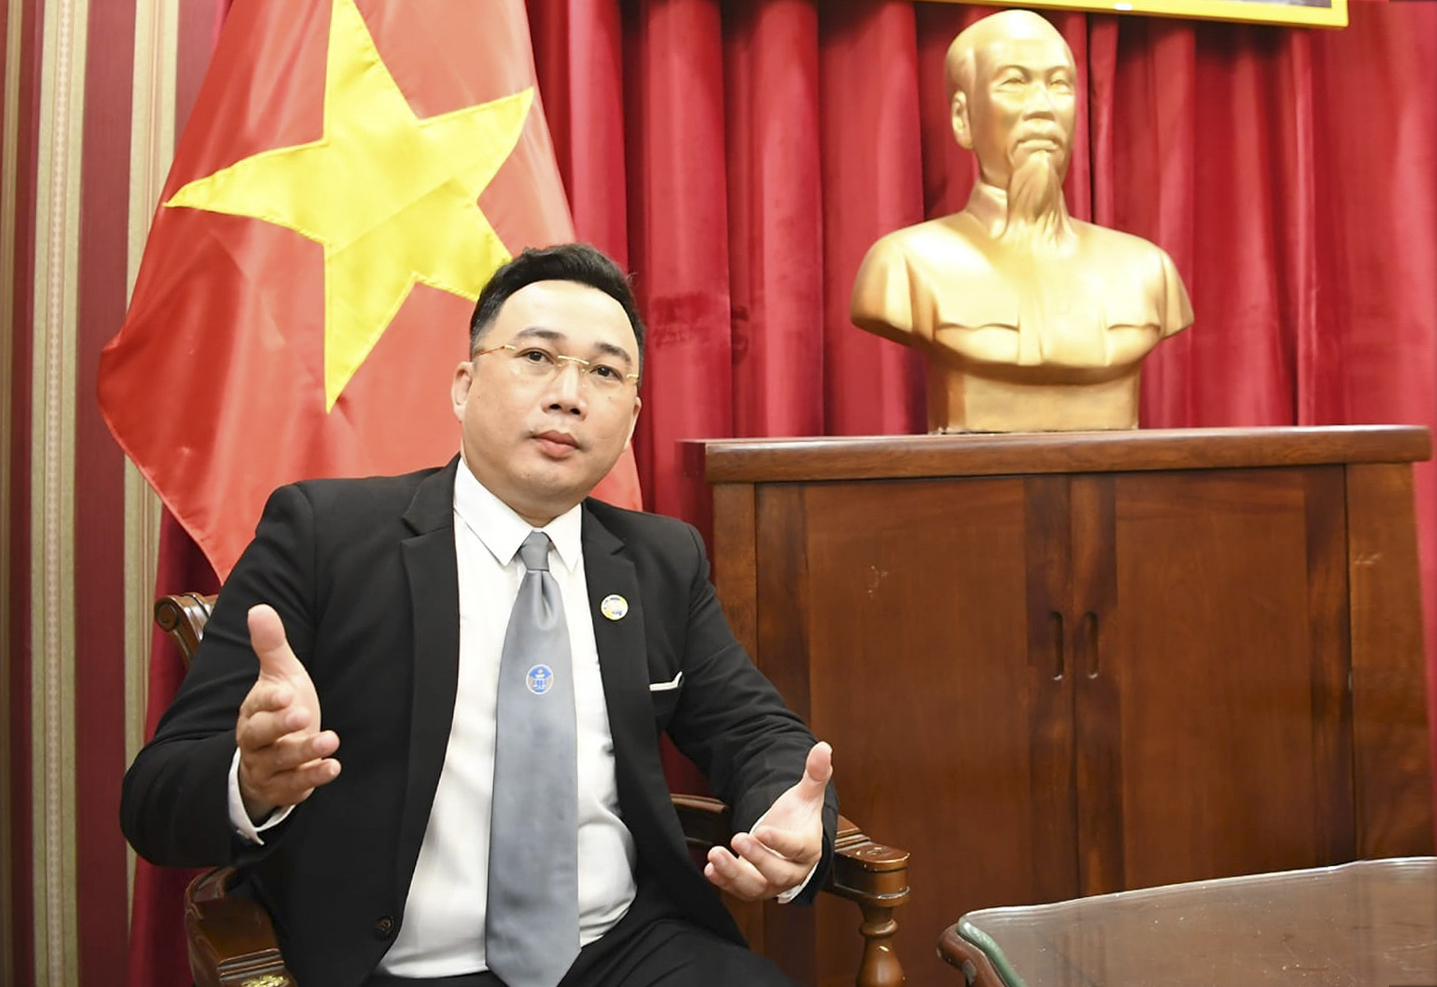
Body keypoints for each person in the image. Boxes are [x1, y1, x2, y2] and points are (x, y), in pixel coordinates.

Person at [120, 243, 837, 987]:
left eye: (604, 372)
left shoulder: (660, 559)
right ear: (464, 386)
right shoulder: (323, 537)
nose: (568, 395)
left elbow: (755, 730)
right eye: (536, 356)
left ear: (630, 418)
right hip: (395, 967)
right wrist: (253, 779)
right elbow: (154, 797)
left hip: (621, 948)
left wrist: (785, 811)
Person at [850, 9, 1193, 433]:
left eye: (1059, 84)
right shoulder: (904, 265)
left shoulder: (1147, 271)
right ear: (962, 119)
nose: (1042, 107)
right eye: (1014, 82)